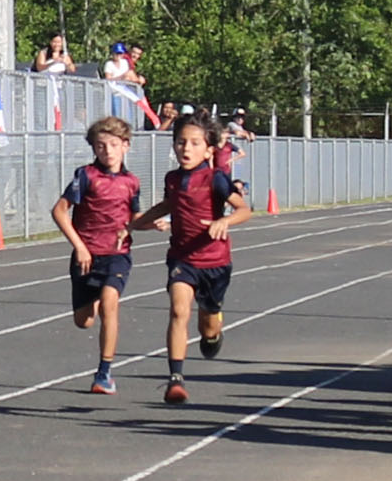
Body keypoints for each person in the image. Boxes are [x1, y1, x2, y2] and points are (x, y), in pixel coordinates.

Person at [129, 111, 253, 404]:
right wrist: (132, 224)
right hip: (182, 258)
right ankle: (175, 379)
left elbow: (244, 210)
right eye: (181, 142)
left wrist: (223, 222)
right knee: (178, 310)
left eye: (194, 143)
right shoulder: (172, 178)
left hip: (214, 261)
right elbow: (168, 205)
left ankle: (213, 332)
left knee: (208, 325)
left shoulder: (216, 179)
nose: (186, 148)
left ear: (209, 149)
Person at [50, 116, 151, 397]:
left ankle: (104, 372)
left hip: (117, 255)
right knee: (84, 321)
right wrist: (80, 246)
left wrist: (151, 223)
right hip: (86, 255)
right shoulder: (85, 176)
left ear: (125, 146)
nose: (107, 150)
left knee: (110, 305)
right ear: (94, 148)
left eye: (113, 145)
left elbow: (135, 217)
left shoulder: (132, 181)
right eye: (101, 145)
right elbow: (59, 211)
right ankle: (90, 300)